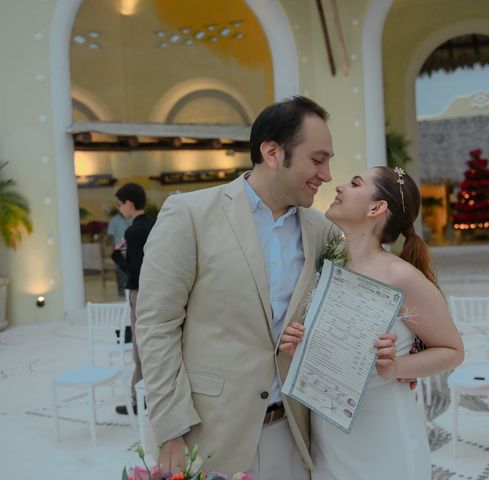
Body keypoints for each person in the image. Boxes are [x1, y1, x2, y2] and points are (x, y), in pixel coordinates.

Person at [135, 97, 396, 478]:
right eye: (317, 159)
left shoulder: (321, 232)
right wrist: (172, 430)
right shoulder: (189, 215)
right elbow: (157, 326)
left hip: (294, 435)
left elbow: (364, 293)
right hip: (208, 437)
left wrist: (407, 348)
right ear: (273, 152)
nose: (326, 175)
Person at [280, 166, 464, 479]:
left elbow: (453, 350)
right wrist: (298, 345)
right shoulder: (328, 267)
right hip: (328, 438)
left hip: (383, 438)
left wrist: (396, 367)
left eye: (354, 184)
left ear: (376, 208)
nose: (338, 186)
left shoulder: (401, 276)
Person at [110, 183, 155, 415]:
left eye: (120, 204)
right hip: (159, 292)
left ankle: (139, 400)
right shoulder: (155, 224)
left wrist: (117, 257)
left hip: (141, 293)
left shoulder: (133, 232)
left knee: (140, 346)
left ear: (129, 203)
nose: (119, 209)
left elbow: (136, 270)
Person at [106, 211, 131, 297]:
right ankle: (122, 294)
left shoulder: (132, 218)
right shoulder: (114, 220)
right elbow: (110, 237)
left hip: (131, 250)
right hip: (120, 250)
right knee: (121, 272)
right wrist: (115, 250)